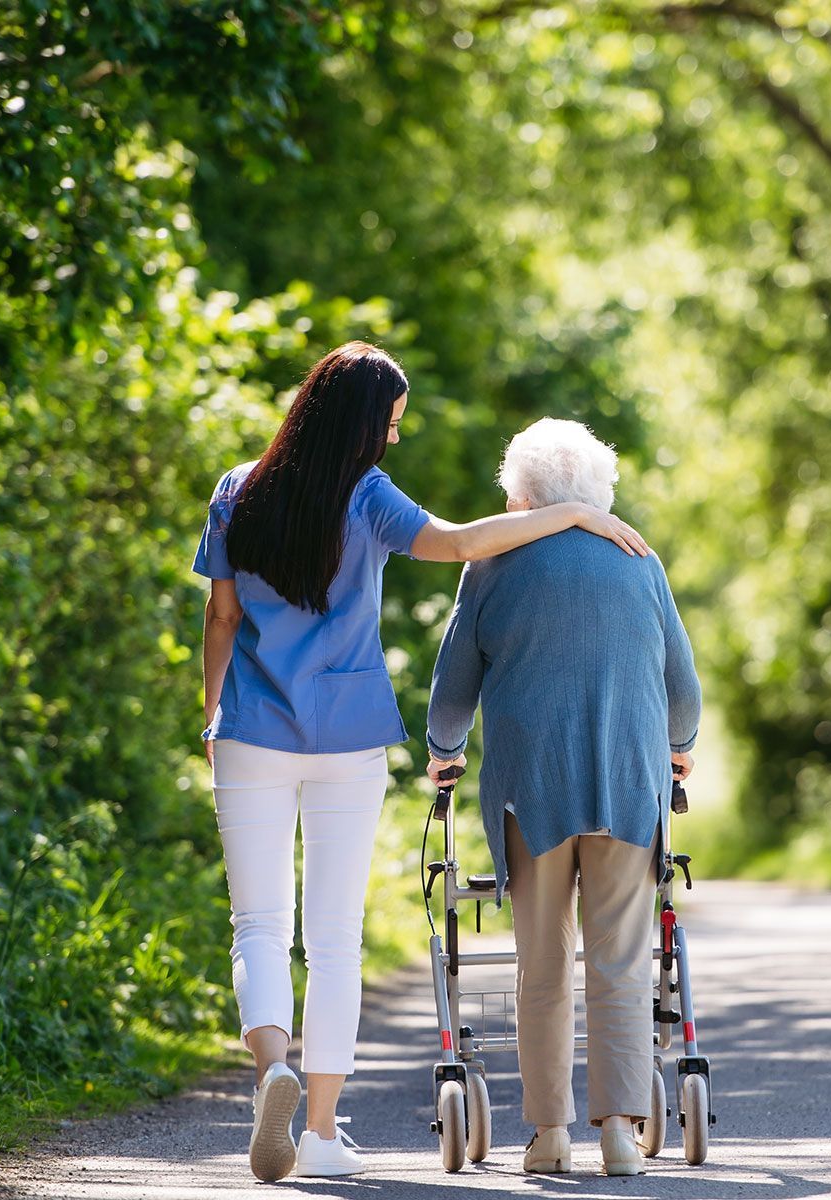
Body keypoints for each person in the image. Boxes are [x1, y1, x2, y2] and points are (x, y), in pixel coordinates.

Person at [194, 344, 650, 1181]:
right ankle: (322, 1132)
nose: (394, 441)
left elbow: (221, 618)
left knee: (258, 925)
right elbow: (462, 541)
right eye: (392, 424)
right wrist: (575, 515)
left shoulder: (237, 490)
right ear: (362, 424)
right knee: (333, 937)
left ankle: (273, 1071)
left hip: (251, 731)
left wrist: (212, 711)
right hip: (349, 736)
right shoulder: (366, 497)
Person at [424, 417, 701, 1178]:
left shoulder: (491, 566)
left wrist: (443, 756)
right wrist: (680, 748)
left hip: (530, 791)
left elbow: (452, 691)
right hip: (627, 781)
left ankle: (549, 1134)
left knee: (542, 962)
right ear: (596, 493)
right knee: (619, 957)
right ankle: (619, 1130)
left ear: (524, 494)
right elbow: (683, 685)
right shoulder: (639, 560)